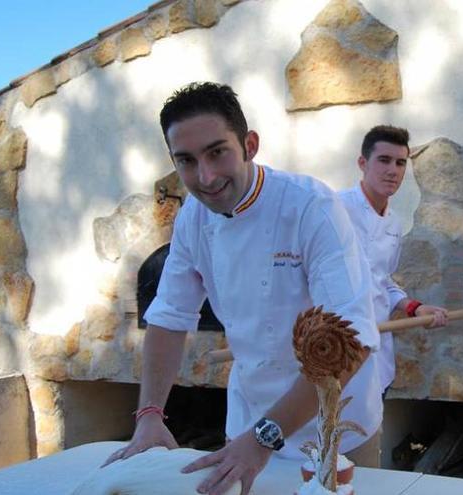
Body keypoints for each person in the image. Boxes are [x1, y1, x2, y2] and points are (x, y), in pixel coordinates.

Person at [103, 82, 382, 495]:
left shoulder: (311, 207)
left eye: (218, 152)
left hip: (335, 426)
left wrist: (264, 438)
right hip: (249, 419)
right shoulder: (192, 220)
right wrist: (149, 414)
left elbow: (350, 338)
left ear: (249, 144)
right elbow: (168, 317)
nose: (206, 177)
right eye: (187, 160)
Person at [338, 125, 448, 393]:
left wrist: (415, 308)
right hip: (338, 352)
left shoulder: (394, 224)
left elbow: (382, 282)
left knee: (373, 433)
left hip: (377, 354)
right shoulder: (334, 210)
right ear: (362, 163)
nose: (393, 170)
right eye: (384, 160)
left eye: (400, 163)